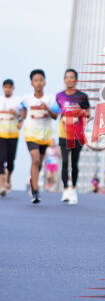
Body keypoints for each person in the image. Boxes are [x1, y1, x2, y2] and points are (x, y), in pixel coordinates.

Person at [19, 69, 58, 204]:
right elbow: (23, 110)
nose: (38, 83)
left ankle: (32, 179)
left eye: (41, 80)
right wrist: (20, 120)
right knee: (35, 159)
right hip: (31, 133)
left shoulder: (51, 98)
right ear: (32, 83)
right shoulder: (26, 98)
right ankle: (35, 190)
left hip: (45, 135)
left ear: (45, 82)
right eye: (36, 80)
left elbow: (55, 116)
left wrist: (47, 108)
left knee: (39, 163)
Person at [55, 68, 90, 205]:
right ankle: (65, 190)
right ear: (64, 80)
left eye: (72, 77)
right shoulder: (59, 96)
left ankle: (73, 189)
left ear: (76, 80)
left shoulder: (82, 96)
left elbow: (88, 113)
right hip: (63, 133)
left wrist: (79, 112)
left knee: (74, 163)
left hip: (77, 134)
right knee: (65, 162)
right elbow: (55, 112)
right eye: (67, 77)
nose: (69, 79)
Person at [0, 78, 22, 197]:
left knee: (10, 160)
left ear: (13, 88)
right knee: (1, 159)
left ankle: (8, 178)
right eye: (6, 87)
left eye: (10, 87)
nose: (7, 89)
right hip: (1, 134)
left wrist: (17, 115)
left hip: (13, 134)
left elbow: (22, 115)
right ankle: (2, 184)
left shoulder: (18, 101)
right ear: (3, 88)